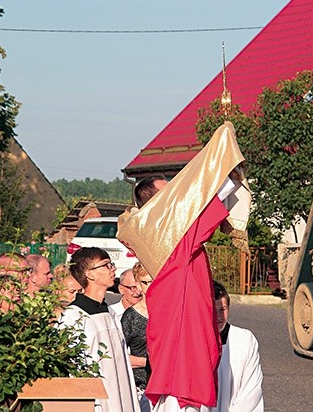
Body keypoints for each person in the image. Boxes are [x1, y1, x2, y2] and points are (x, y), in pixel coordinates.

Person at [117, 122, 251, 411]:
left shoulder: (167, 232)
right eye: (170, 194)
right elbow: (202, 214)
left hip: (183, 328)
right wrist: (224, 158)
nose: (178, 198)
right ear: (155, 205)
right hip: (182, 339)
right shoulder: (164, 235)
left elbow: (198, 210)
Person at [59, 247, 139, 412]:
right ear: (90, 274)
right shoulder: (74, 317)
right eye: (106, 265)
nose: (113, 269)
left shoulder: (109, 312)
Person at [209, 281, 263, 412]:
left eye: (223, 309)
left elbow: (251, 390)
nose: (219, 316)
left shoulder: (244, 340)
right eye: (213, 311)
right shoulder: (196, 342)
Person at [121, 263, 153, 411]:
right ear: (139, 285)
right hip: (141, 387)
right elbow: (119, 355)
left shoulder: (170, 312)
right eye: (147, 282)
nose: (152, 285)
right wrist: (147, 362)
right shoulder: (131, 317)